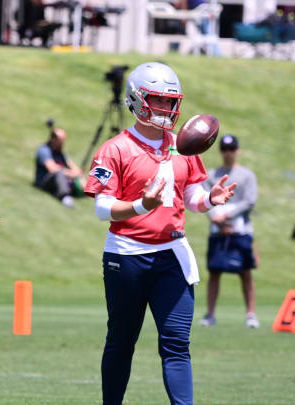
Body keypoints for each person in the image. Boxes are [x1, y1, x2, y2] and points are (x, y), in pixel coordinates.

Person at [84, 62, 236, 405]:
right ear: (137, 100)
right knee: (122, 341)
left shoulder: (183, 146)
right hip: (127, 255)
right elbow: (102, 208)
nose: (166, 109)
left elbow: (191, 197)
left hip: (171, 255)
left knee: (177, 343)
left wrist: (210, 200)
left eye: (170, 102)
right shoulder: (116, 148)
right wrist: (141, 205)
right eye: (158, 100)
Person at [200, 135, 259, 328]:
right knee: (214, 271)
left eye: (232, 149)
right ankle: (210, 314)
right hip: (217, 230)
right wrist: (217, 219)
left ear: (237, 150)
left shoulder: (246, 175)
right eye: (225, 149)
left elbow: (249, 201)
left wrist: (227, 216)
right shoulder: (211, 175)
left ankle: (251, 314)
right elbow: (203, 199)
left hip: (241, 230)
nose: (228, 153)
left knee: (245, 272)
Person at [34, 127, 85, 208]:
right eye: (60, 141)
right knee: (59, 172)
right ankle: (64, 197)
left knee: (78, 181)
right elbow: (53, 169)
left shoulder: (60, 153)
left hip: (58, 180)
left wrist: (79, 174)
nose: (62, 143)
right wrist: (71, 174)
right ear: (53, 139)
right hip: (44, 182)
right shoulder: (44, 150)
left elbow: (72, 165)